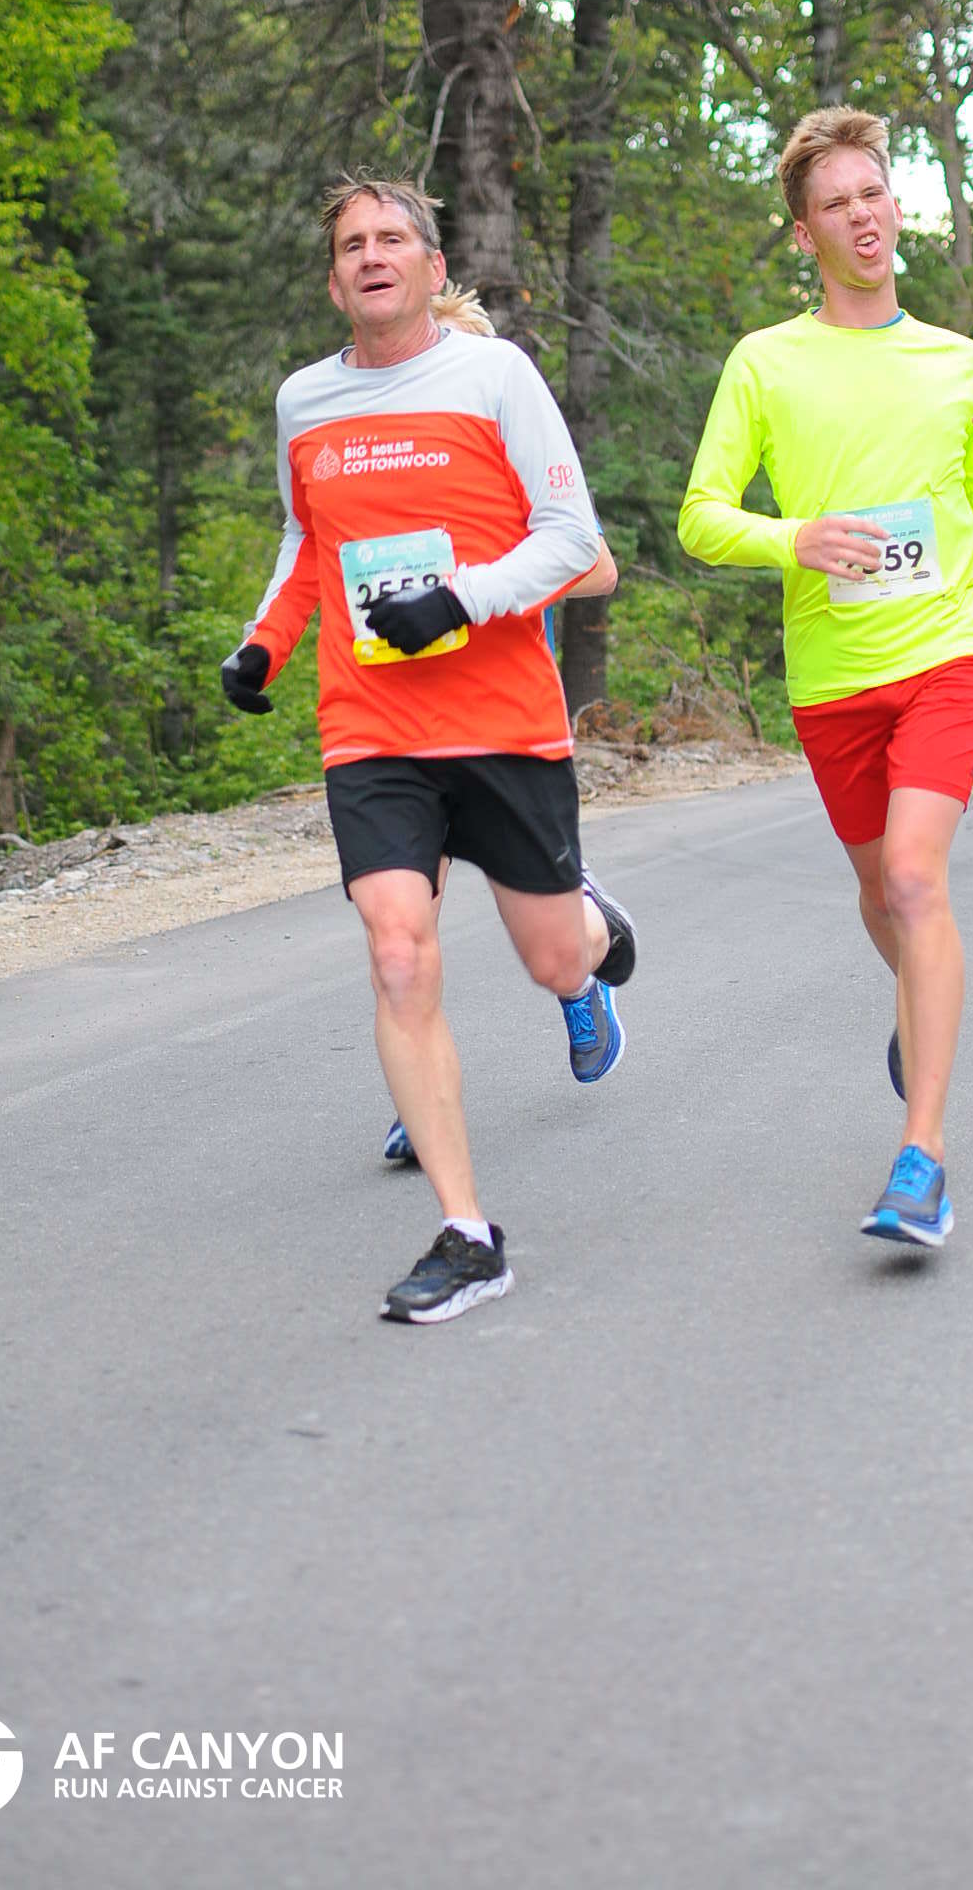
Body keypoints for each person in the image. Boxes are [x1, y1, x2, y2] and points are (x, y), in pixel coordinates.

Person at [221, 175, 635, 1322]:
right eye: (350, 243)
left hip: (501, 719)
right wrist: (262, 644)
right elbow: (306, 541)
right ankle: (467, 1231)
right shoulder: (303, 400)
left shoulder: (494, 376)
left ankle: (595, 934)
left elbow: (573, 540)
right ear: (332, 280)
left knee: (551, 957)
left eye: (391, 237)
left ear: (432, 266)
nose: (371, 254)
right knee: (399, 950)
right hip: (372, 729)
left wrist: (456, 599)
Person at [678, 105, 973, 1248]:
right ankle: (918, 1003)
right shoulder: (764, 361)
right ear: (805, 234)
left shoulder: (951, 358)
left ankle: (920, 1156)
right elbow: (700, 516)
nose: (860, 215)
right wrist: (793, 538)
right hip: (829, 672)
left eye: (872, 193)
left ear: (896, 208)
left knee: (910, 875)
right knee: (877, 894)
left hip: (944, 650)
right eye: (834, 203)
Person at [380, 279, 628, 1170]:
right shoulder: (382, 464)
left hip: (503, 713)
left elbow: (597, 566)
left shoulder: (513, 452)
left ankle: (586, 959)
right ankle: (421, 1097)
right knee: (407, 924)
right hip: (403, 718)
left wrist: (486, 586)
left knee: (549, 940)